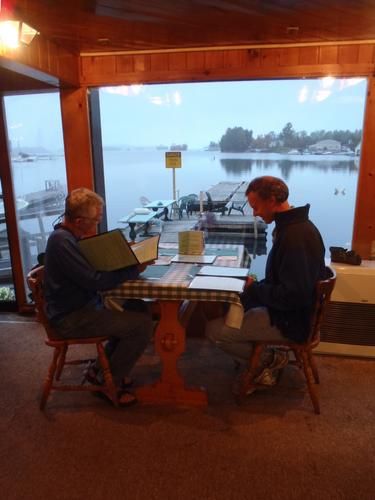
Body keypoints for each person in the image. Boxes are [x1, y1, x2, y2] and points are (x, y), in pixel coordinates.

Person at [206, 176, 327, 392]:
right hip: (290, 312)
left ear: (271, 200)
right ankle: (262, 356)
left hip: (292, 321)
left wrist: (254, 288)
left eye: (256, 206)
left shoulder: (295, 237)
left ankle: (270, 359)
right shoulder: (294, 226)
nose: (254, 213)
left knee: (214, 330)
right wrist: (255, 287)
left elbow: (294, 295)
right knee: (232, 306)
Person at [44, 188, 154, 407]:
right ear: (78, 220)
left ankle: (98, 371)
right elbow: (96, 281)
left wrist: (123, 257)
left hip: (84, 308)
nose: (98, 223)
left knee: (137, 308)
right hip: (70, 318)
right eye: (96, 219)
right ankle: (109, 383)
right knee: (141, 326)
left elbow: (89, 273)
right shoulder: (62, 242)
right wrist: (134, 269)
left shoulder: (69, 237)